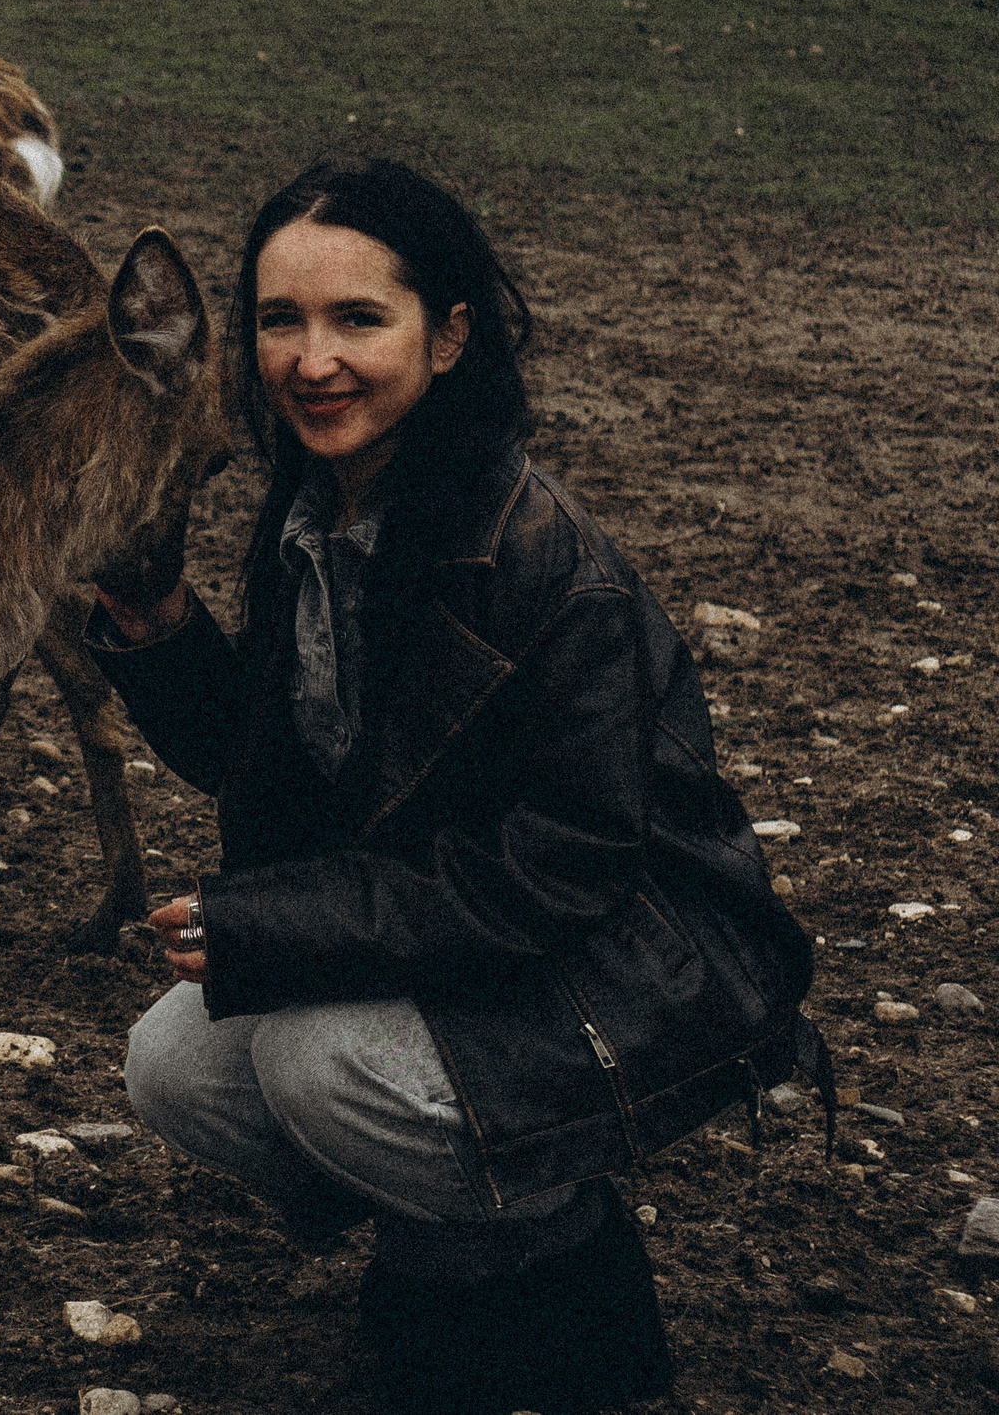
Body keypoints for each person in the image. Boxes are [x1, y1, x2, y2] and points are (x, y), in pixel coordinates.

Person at [88, 158, 816, 1415]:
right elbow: (284, 763)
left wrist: (274, 926)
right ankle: (459, 1250)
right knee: (177, 1062)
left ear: (448, 338)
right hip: (467, 934)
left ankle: (556, 1282)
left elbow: (563, 865)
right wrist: (156, 627)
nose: (312, 360)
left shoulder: (539, 562)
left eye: (358, 319)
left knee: (317, 1064)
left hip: (628, 963)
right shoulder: (321, 512)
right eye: (279, 320)